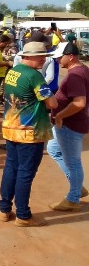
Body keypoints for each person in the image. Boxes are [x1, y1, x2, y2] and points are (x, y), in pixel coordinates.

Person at [0, 41, 58, 227]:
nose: (44, 60)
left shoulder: (13, 72)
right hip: (29, 132)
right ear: (30, 56)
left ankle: (4, 208)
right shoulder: (35, 76)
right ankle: (23, 215)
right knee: (25, 173)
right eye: (41, 57)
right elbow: (52, 104)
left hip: (10, 128)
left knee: (11, 168)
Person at [46, 42, 89, 211]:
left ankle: (73, 197)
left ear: (70, 56)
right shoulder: (82, 70)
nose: (57, 60)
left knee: (73, 162)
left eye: (59, 56)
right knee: (53, 149)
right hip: (72, 123)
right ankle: (77, 187)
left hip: (69, 124)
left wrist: (60, 115)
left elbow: (79, 103)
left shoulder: (75, 75)